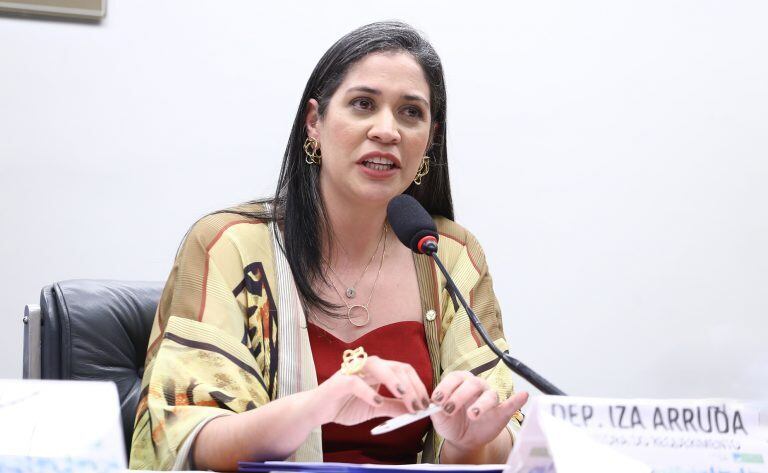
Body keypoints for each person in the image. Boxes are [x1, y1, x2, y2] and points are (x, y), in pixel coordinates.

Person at [129, 21, 528, 472]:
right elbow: (193, 441)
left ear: (430, 139)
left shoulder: (448, 254)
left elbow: (495, 439)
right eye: (363, 104)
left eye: (410, 112)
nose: (387, 130)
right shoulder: (229, 246)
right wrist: (318, 405)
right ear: (314, 123)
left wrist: (468, 440)